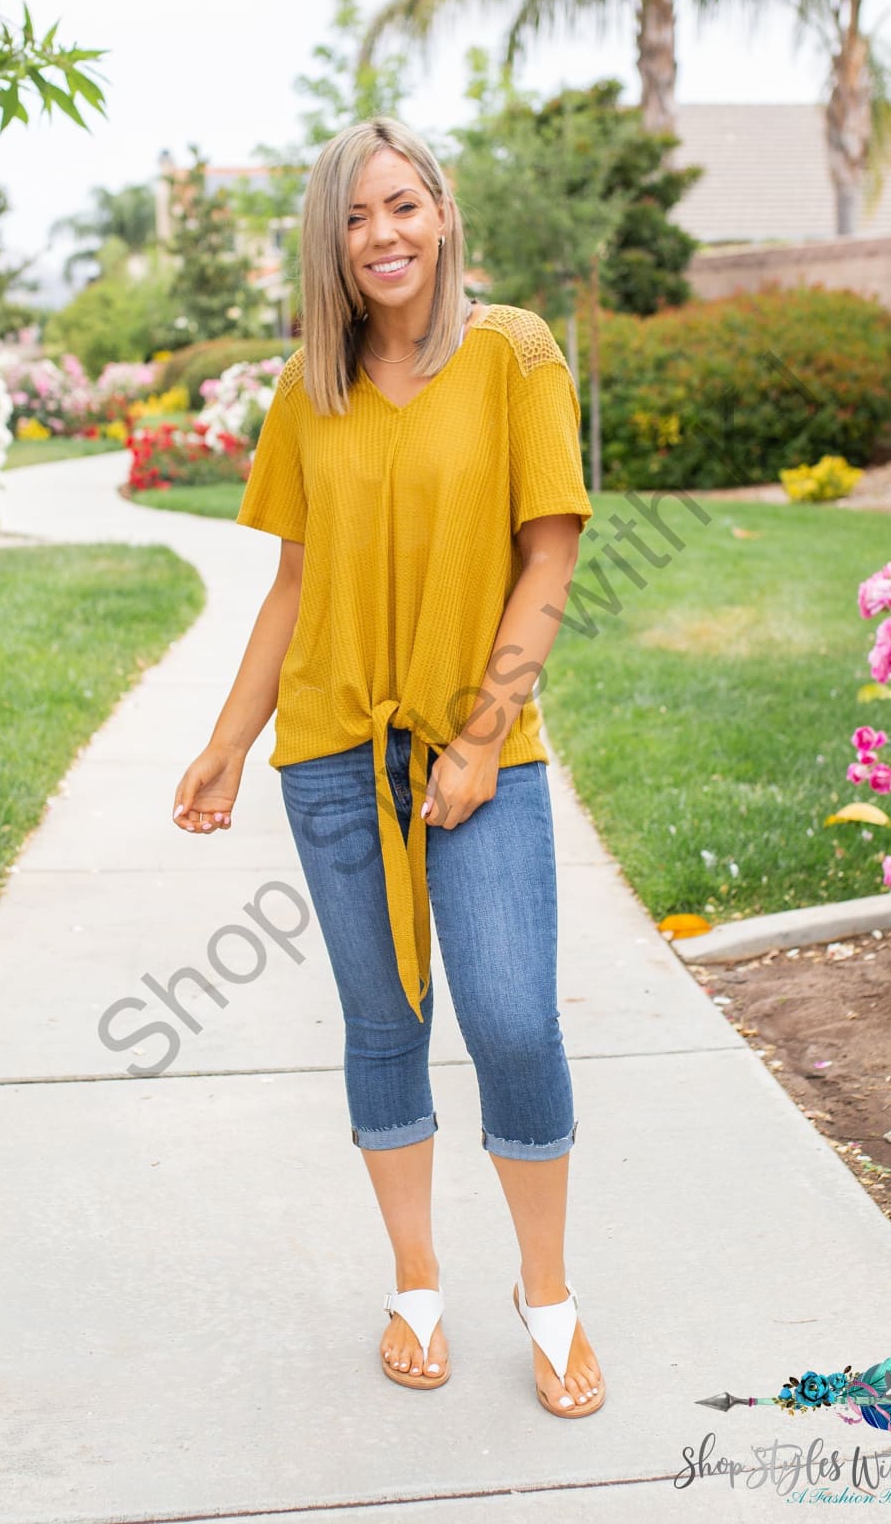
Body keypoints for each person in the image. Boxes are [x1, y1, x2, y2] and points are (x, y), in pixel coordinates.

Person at [171, 116, 606, 1419]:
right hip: (332, 754)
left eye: (402, 205)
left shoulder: (512, 352)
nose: (384, 236)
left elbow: (552, 555)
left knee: (515, 1020)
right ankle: (415, 1281)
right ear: (332, 240)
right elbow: (295, 586)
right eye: (357, 217)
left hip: (483, 753)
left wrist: (479, 737)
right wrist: (228, 739)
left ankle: (547, 1292)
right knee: (383, 1025)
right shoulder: (312, 386)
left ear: (441, 210)